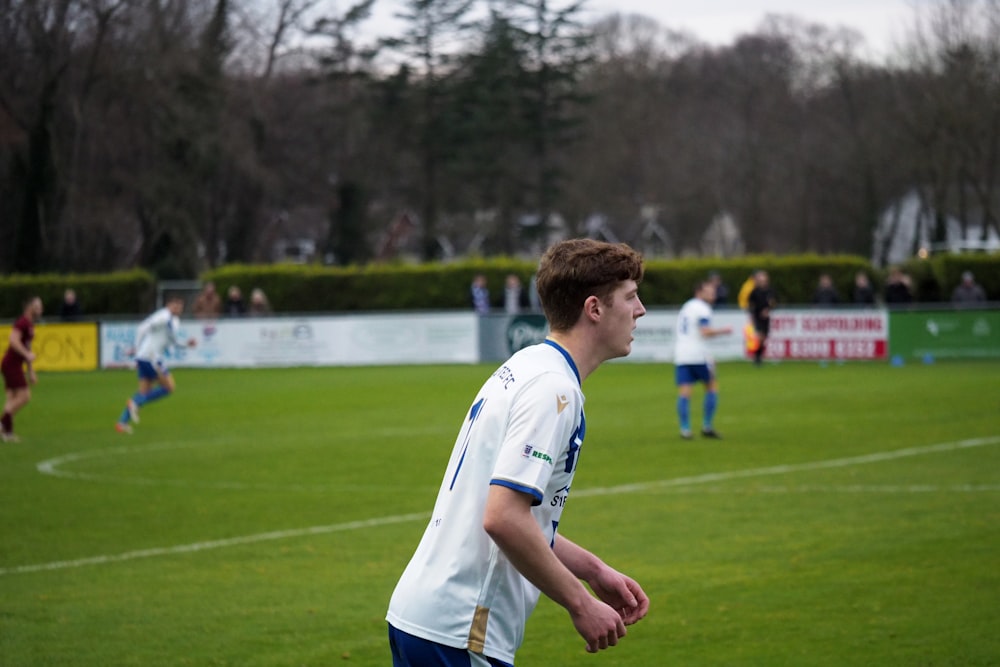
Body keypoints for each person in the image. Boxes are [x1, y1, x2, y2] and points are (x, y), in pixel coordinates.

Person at [387, 239, 650, 666]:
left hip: (423, 616)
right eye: (631, 297)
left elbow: (510, 513)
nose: (640, 311)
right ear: (594, 309)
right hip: (460, 628)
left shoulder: (526, 365)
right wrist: (580, 603)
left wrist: (592, 569)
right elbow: (503, 518)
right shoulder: (554, 389)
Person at [115, 294, 197, 434]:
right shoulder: (163, 316)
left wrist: (186, 344)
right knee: (169, 387)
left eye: (180, 306)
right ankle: (136, 403)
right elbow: (142, 328)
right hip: (150, 358)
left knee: (143, 392)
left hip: (145, 357)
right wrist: (137, 347)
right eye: (175, 305)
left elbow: (172, 340)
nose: (178, 308)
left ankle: (121, 423)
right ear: (168, 305)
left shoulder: (174, 320)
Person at [674, 280, 733, 440]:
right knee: (712, 387)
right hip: (699, 355)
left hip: (682, 355)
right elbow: (705, 331)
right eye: (710, 291)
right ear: (699, 291)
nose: (713, 294)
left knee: (685, 392)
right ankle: (707, 426)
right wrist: (724, 330)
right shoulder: (702, 308)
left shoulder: (687, 306)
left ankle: (685, 429)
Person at [1, 296, 43, 442]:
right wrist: (27, 355)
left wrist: (30, 370)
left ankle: (7, 433)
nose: (40, 309)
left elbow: (27, 347)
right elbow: (13, 340)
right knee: (24, 397)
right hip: (11, 364)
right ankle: (2, 425)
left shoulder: (30, 325)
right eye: (37, 306)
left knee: (12, 399)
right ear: (29, 307)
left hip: (13, 364)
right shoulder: (23, 322)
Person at [747, 270, 776, 366]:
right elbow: (750, 305)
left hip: (766, 318)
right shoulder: (754, 292)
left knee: (764, 338)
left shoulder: (770, 291)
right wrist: (751, 316)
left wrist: (768, 310)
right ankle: (757, 357)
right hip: (757, 317)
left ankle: (758, 355)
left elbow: (773, 303)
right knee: (759, 337)